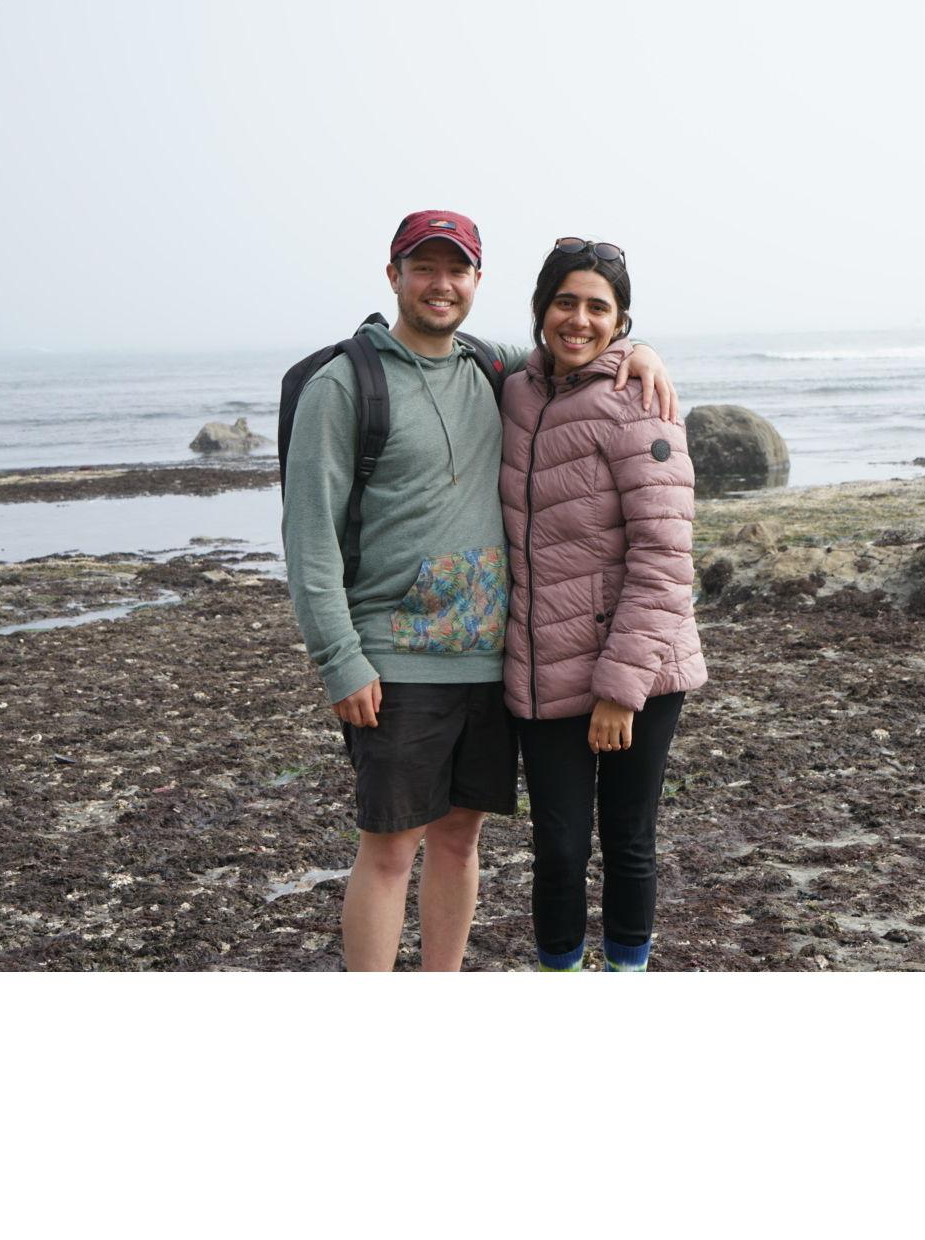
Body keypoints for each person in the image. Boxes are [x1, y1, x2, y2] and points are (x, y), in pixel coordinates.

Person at [281, 211, 677, 972]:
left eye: (455, 269)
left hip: (489, 664)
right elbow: (308, 540)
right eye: (423, 268)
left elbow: (580, 346)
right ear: (393, 275)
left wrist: (643, 348)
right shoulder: (344, 385)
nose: (440, 284)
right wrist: (340, 658)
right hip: (393, 663)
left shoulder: (492, 368)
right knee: (389, 849)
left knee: (460, 840)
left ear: (477, 283)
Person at [500, 239, 707, 972]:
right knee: (555, 848)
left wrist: (619, 691)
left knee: (626, 839)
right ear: (540, 308)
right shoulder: (515, 388)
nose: (579, 319)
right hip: (542, 665)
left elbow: (664, 558)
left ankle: (626, 975)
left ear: (620, 321)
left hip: (640, 671)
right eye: (566, 301)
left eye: (599, 307)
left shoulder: (638, 403)